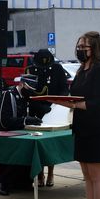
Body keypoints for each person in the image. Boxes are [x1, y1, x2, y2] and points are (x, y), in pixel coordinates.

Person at [51, 32, 100, 199]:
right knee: (87, 178)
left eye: (84, 47)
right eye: (78, 46)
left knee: (97, 177)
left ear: (94, 48)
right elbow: (75, 97)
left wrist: (73, 104)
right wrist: (62, 101)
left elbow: (96, 103)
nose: (80, 50)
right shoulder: (81, 70)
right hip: (82, 128)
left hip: (97, 129)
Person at [0, 74, 42, 196]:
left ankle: (23, 182)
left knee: (32, 147)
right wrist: (25, 120)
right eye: (28, 89)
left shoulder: (25, 97)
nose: (30, 92)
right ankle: (1, 183)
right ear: (22, 84)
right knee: (22, 150)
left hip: (18, 135)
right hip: (3, 135)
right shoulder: (8, 95)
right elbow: (4, 121)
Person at [25, 48, 69, 187]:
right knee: (37, 144)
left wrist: (57, 103)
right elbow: (28, 92)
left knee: (50, 145)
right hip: (36, 111)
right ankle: (40, 174)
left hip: (53, 110)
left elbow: (64, 88)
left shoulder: (57, 69)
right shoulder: (30, 70)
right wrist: (39, 106)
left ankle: (50, 172)